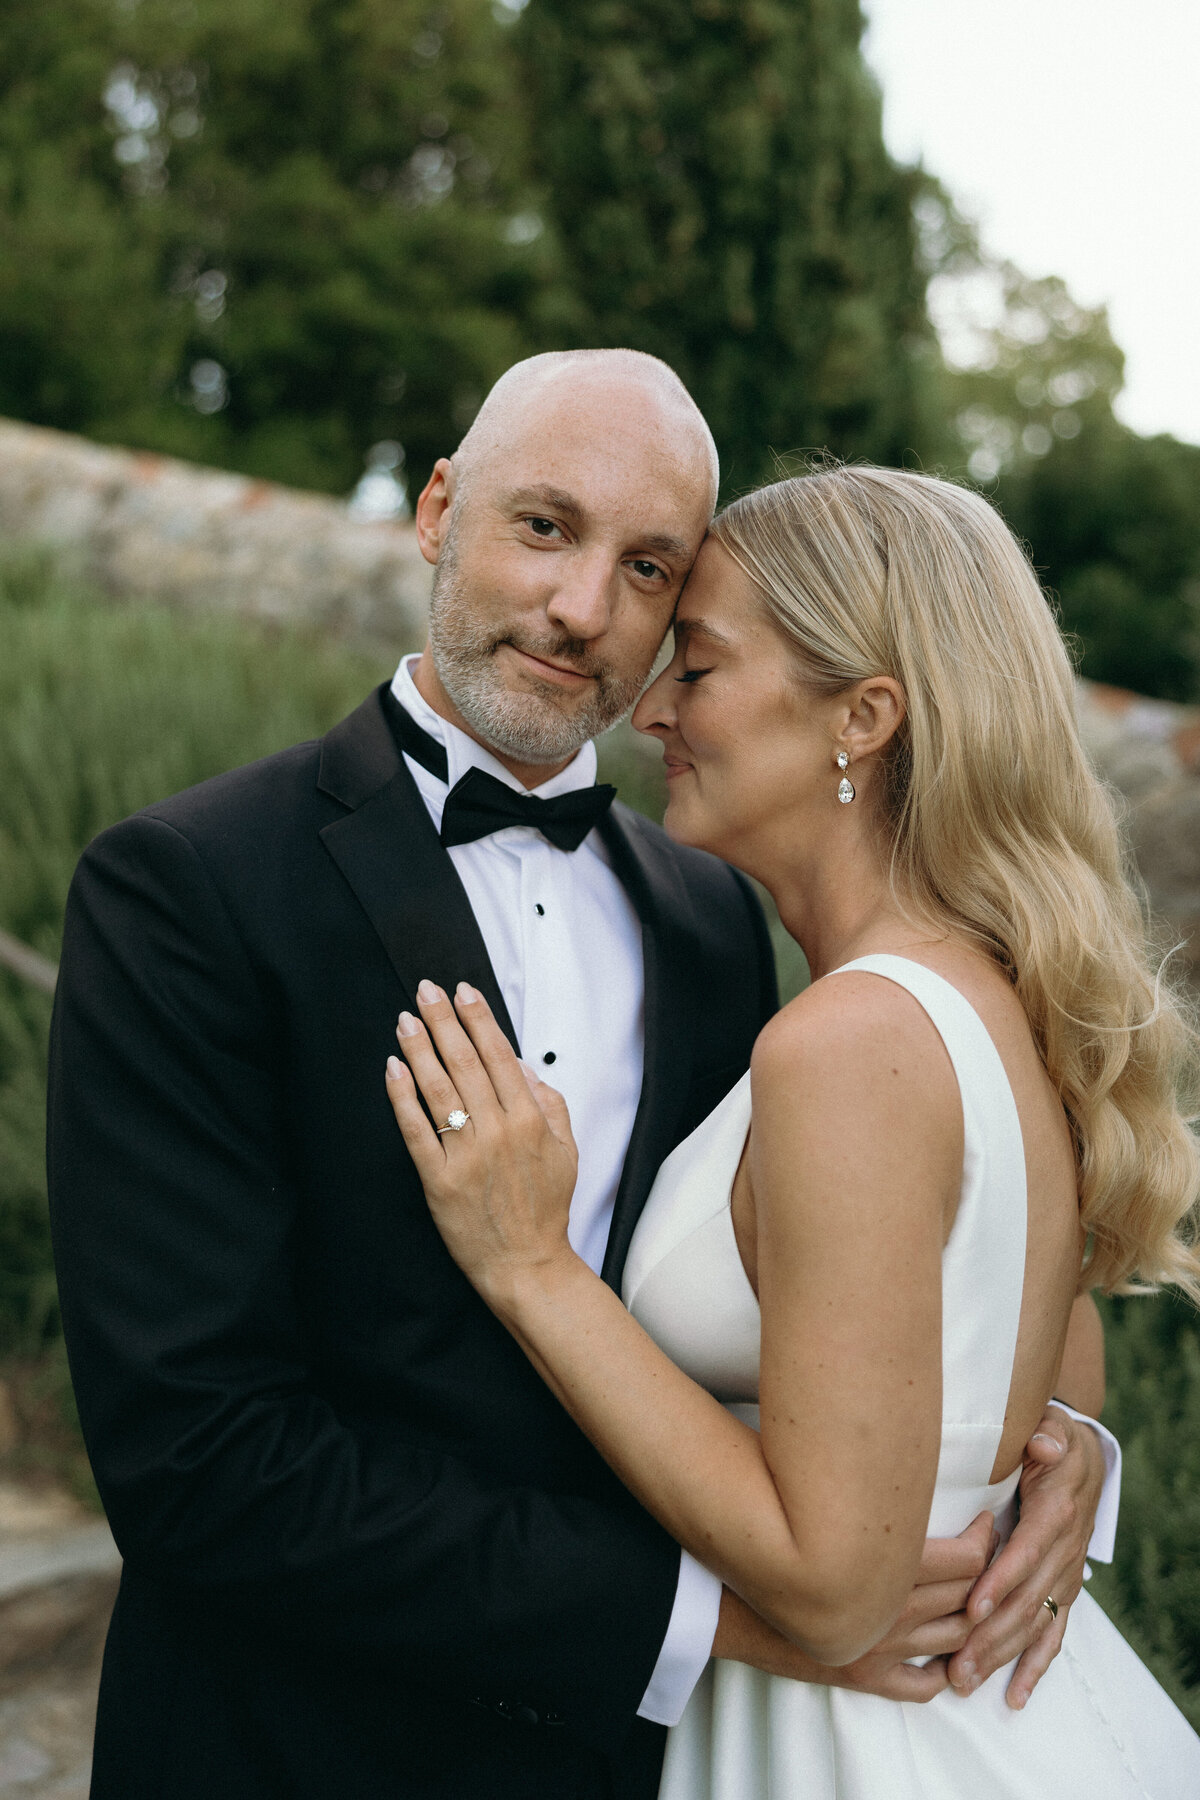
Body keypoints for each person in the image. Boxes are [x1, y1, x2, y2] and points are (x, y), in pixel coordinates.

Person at [49, 356, 1111, 1800]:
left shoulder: (716, 915)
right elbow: (204, 1465)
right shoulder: (189, 890)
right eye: (543, 527)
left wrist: (1048, 1442)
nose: (583, 610)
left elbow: (856, 1258)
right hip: (293, 1744)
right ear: (437, 510)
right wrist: (726, 1622)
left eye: (651, 565)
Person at [384, 462, 1200, 1797]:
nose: (649, 708)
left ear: (864, 716)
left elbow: (830, 1591)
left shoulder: (848, 1044)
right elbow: (1045, 1351)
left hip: (869, 1745)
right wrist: (1063, 1466)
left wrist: (532, 1268)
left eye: (695, 668)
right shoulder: (977, 992)